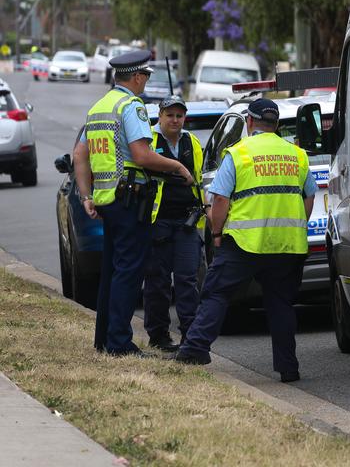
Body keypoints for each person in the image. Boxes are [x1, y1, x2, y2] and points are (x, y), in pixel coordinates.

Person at [174, 98, 316, 383]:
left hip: (244, 243)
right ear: (275, 124)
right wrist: (296, 225)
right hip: (287, 245)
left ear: (249, 122)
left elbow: (221, 198)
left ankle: (195, 348)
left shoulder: (239, 153)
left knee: (216, 292)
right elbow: (309, 195)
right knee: (281, 304)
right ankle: (288, 368)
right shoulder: (296, 154)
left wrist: (216, 233)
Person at [73, 50, 194, 357]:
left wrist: (87, 196)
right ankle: (119, 343)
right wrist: (178, 166)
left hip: (106, 199)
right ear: (137, 77)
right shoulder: (131, 106)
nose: (145, 84)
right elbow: (141, 155)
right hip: (129, 200)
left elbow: (79, 156)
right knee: (129, 271)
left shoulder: (100, 107)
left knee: (113, 271)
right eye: (145, 78)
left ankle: (105, 339)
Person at [143, 95, 205, 352]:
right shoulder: (149, 140)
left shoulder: (192, 142)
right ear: (160, 115)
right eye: (170, 115)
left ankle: (190, 335)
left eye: (179, 116)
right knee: (157, 280)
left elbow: (199, 180)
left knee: (187, 279)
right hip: (158, 221)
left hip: (187, 221)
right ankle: (158, 336)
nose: (175, 120)